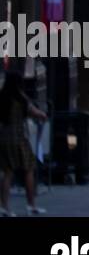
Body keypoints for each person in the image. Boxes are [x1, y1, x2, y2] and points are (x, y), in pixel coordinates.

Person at [0, 70, 47, 216]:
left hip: (4, 138)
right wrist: (43, 116)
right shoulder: (21, 99)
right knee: (29, 169)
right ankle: (31, 205)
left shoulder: (1, 98)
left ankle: (4, 207)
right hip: (20, 138)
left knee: (7, 172)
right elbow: (37, 113)